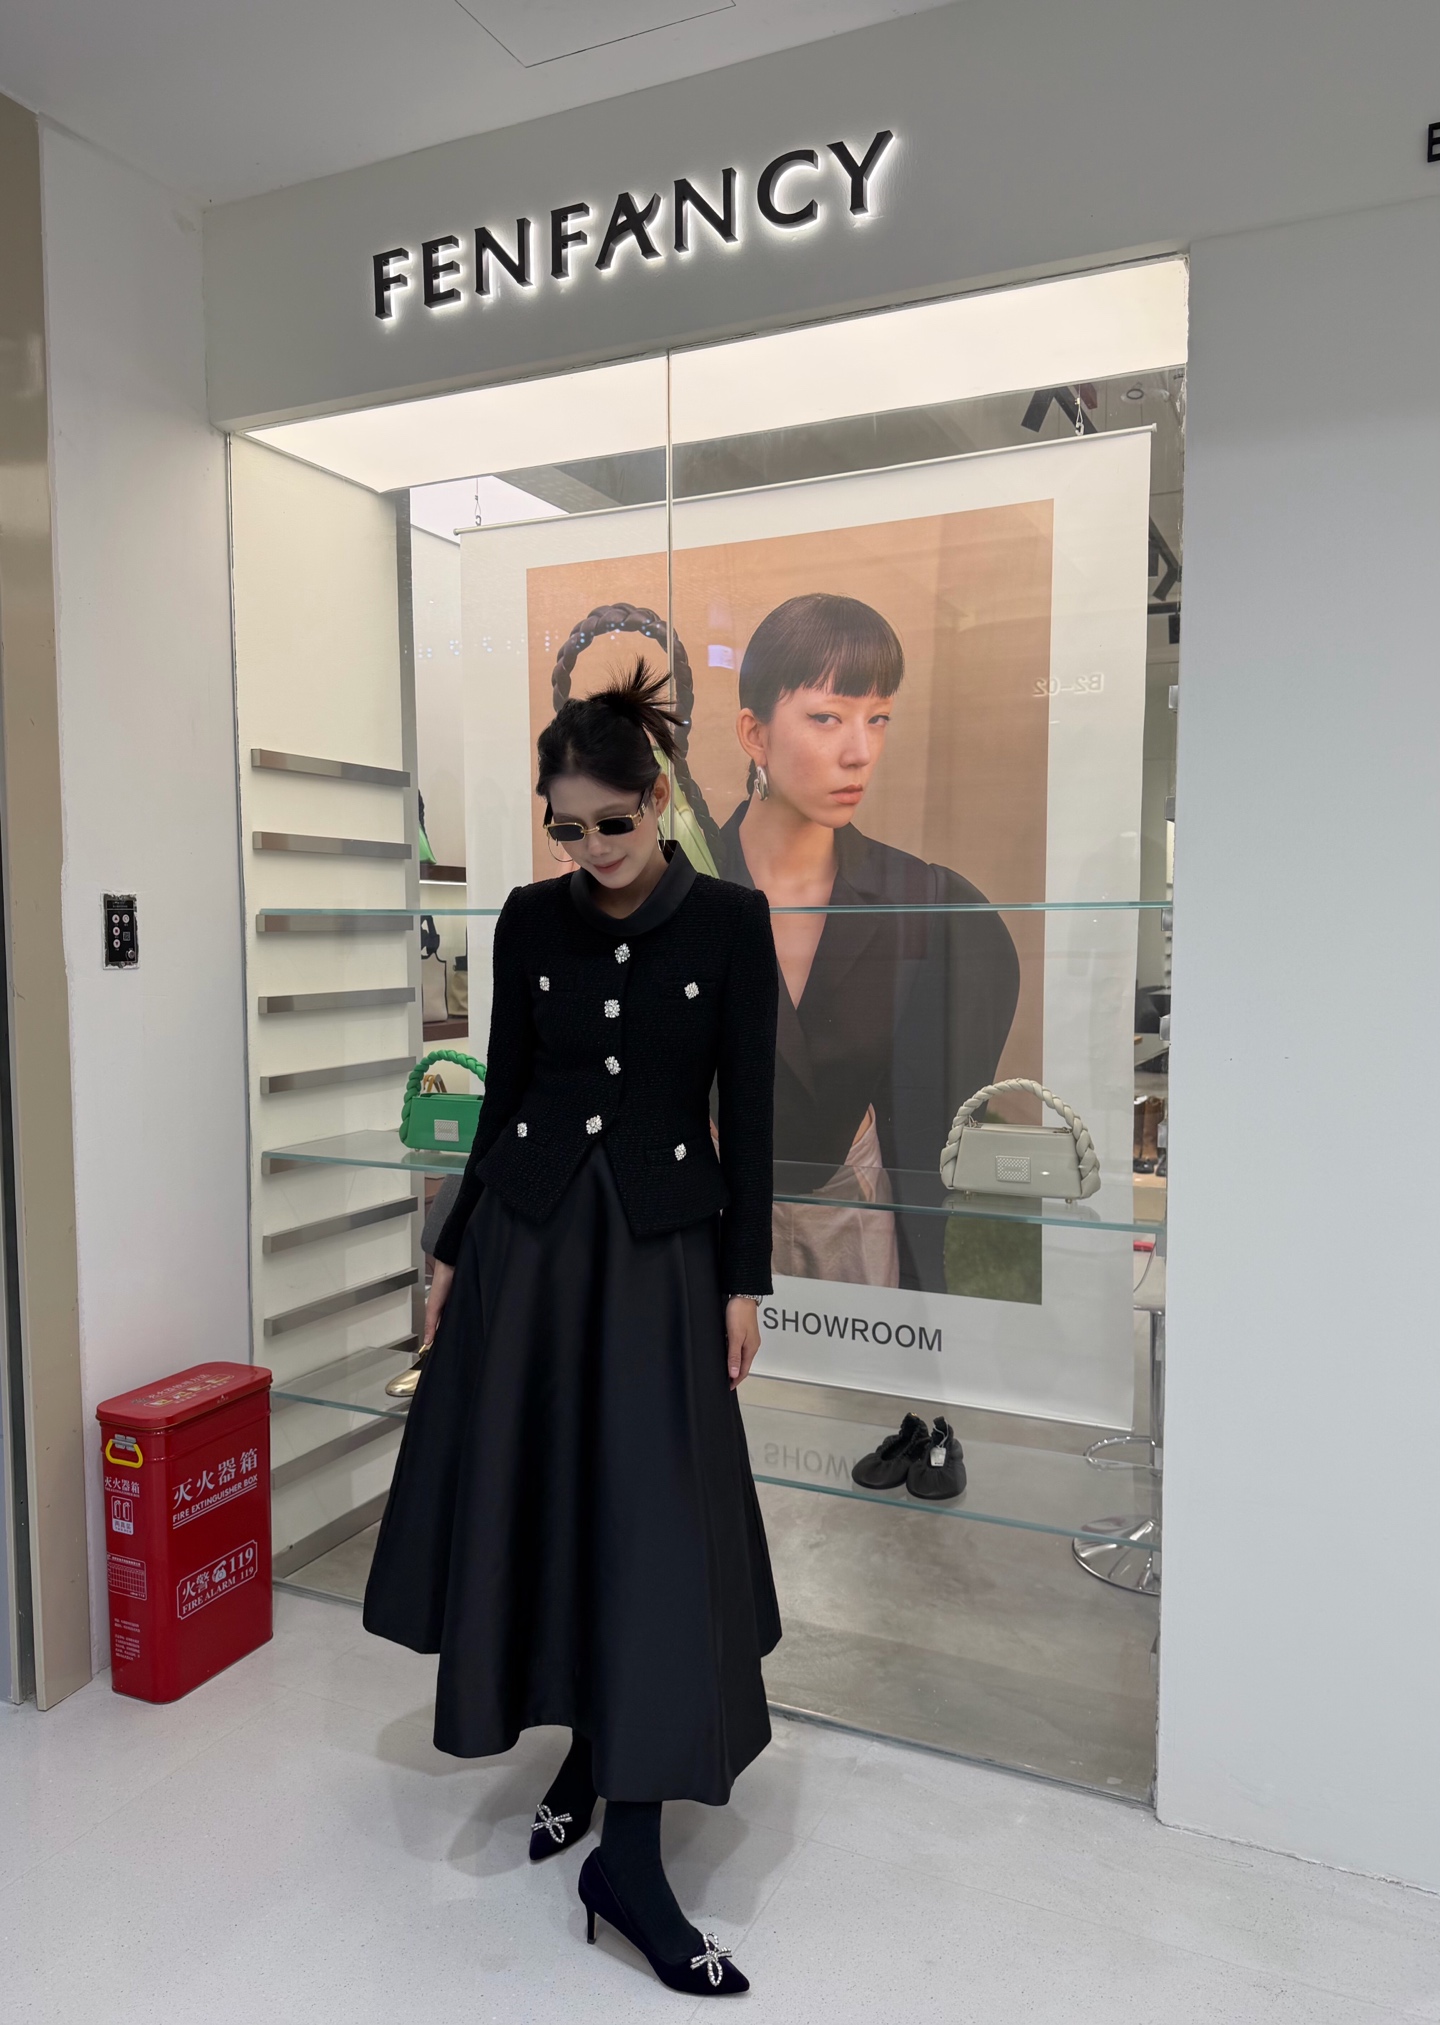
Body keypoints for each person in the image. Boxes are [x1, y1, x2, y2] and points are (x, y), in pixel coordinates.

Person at [363, 666, 780, 1998]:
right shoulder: (529, 918)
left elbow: (750, 1114)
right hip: (530, 1250)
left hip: (660, 1257)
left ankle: (630, 1858)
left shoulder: (729, 921)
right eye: (566, 828)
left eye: (610, 822)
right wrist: (450, 1248)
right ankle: (588, 1756)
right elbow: (503, 1097)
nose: (590, 849)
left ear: (656, 803)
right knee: (556, 1508)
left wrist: (745, 1280)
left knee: (652, 1531)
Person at [716, 592, 1020, 1293]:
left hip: (860, 1232)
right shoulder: (683, 891)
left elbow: (940, 1105)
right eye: (827, 718)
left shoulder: (926, 903)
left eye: (877, 718)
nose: (860, 752)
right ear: (755, 733)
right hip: (707, 1223)